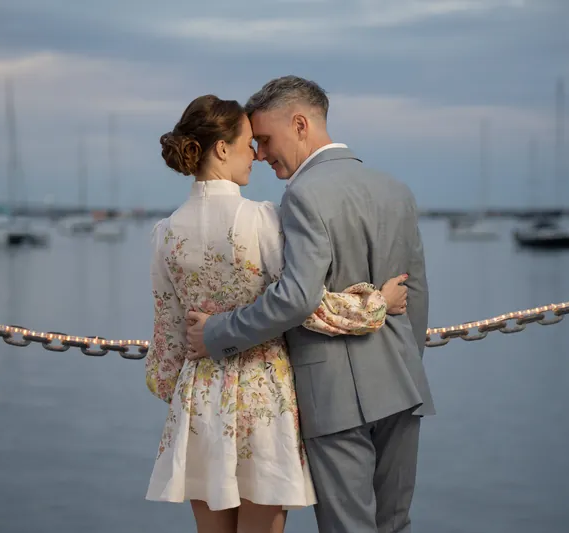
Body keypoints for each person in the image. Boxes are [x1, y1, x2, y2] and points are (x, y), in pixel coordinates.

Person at [144, 94, 411, 533]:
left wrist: (180, 393)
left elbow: (168, 339)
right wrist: (375, 304)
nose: (257, 154)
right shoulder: (261, 220)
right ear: (222, 148)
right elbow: (302, 304)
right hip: (262, 397)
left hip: (197, 399)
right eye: (249, 142)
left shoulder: (164, 233)